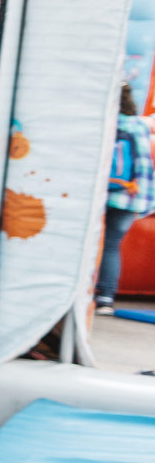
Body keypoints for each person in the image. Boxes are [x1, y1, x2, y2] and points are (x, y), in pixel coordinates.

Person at [99, 81, 154, 313]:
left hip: (107, 191)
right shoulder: (139, 126)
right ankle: (105, 297)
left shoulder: (107, 123)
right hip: (133, 196)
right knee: (112, 245)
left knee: (95, 242)